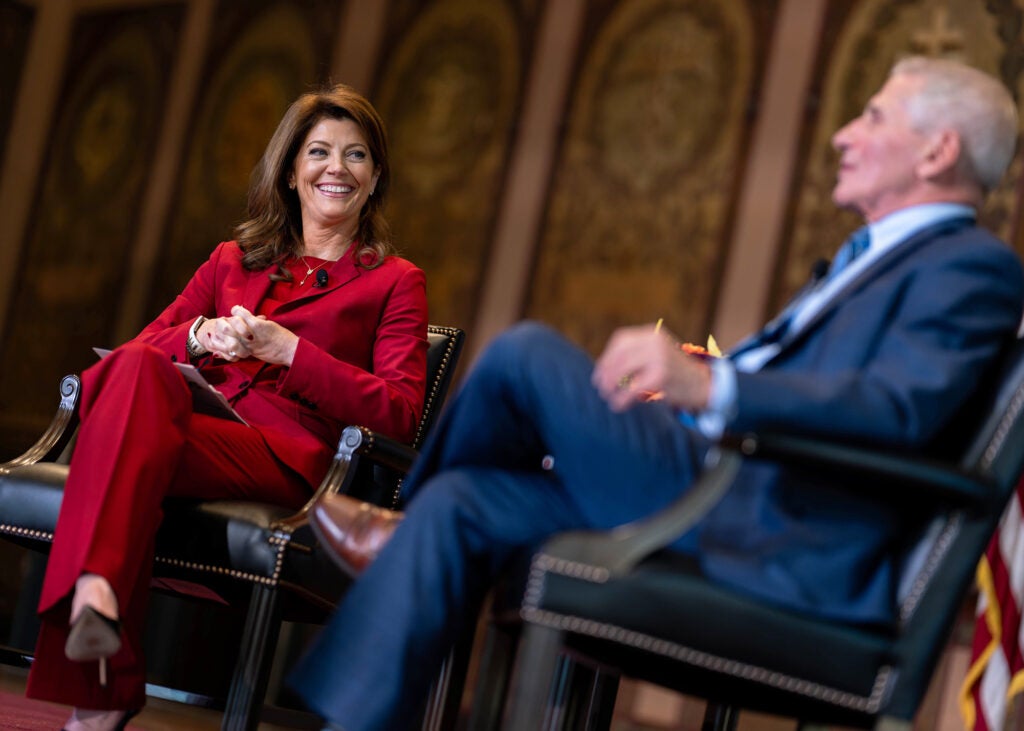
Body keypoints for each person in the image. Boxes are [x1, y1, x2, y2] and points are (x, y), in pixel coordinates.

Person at [290, 56, 1024, 730]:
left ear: (937, 151)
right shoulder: (874, 255)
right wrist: (710, 381)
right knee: (463, 502)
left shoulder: (971, 268)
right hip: (717, 486)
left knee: (525, 353)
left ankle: (396, 521)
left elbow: (898, 411)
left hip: (773, 529)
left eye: (871, 118)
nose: (841, 135)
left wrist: (717, 384)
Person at [23, 84, 429, 730]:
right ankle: (99, 623)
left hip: (286, 459)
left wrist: (292, 352)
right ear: (292, 171)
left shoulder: (394, 281)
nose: (336, 168)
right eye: (319, 151)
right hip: (192, 425)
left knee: (119, 441)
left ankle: (98, 658)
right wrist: (196, 335)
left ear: (375, 177)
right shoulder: (231, 260)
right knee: (138, 367)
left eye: (356, 156)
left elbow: (401, 410)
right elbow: (132, 354)